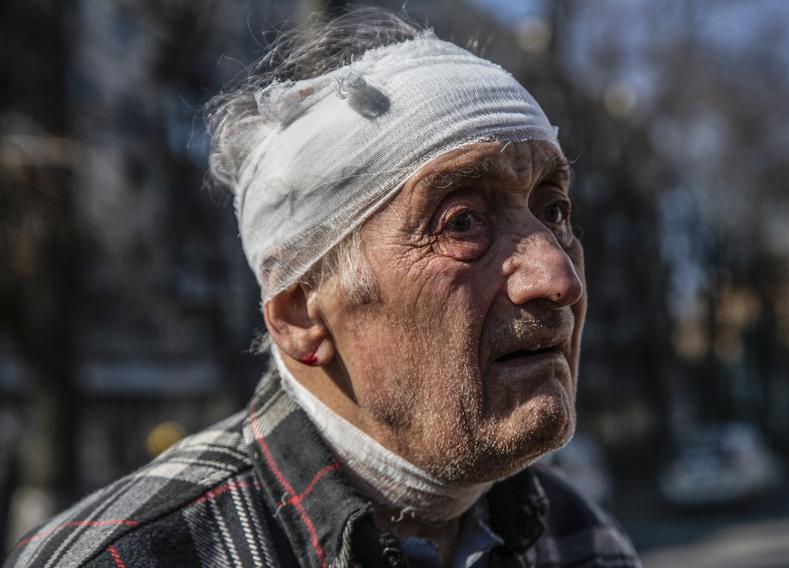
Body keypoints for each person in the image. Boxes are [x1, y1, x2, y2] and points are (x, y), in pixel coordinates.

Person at [5, 9, 641, 568]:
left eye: (554, 210)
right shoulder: (126, 558)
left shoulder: (583, 540)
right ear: (302, 315)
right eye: (462, 223)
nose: (557, 277)